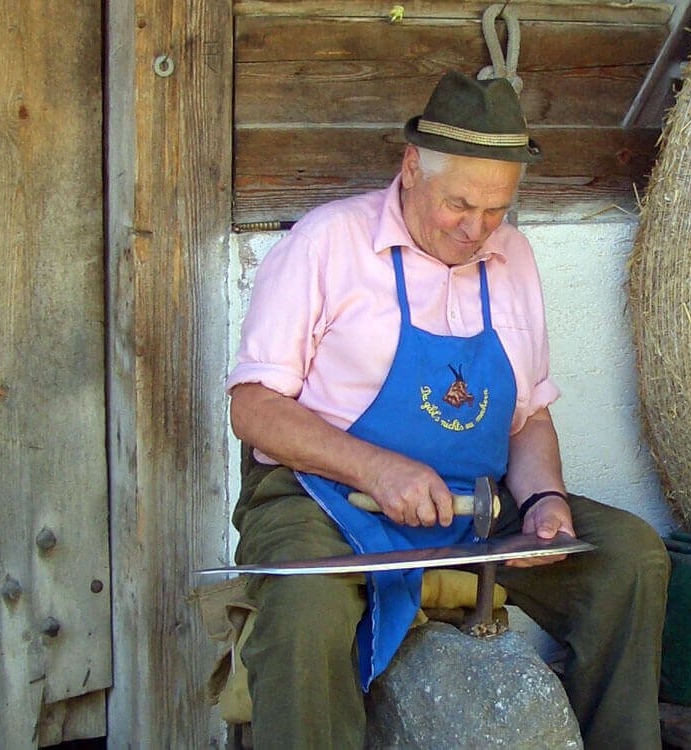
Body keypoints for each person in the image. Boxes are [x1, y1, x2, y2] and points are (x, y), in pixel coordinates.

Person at [225, 71, 668, 749]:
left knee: (629, 558)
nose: (477, 229)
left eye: (497, 210)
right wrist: (379, 472)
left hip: (478, 507)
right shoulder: (326, 244)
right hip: (325, 499)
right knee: (306, 614)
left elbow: (528, 417)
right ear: (410, 169)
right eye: (460, 204)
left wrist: (545, 497)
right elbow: (254, 409)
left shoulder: (512, 257)